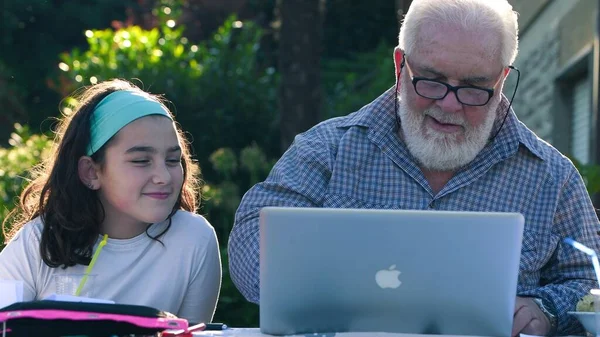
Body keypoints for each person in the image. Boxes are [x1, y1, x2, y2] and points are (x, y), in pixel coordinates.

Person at [228, 0, 600, 336]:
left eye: (474, 87)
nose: (450, 105)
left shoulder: (551, 177)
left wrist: (547, 310)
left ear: (502, 80)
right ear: (399, 65)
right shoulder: (328, 151)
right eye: (433, 81)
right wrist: (313, 288)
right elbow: (249, 245)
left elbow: (590, 281)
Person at [0, 79, 221, 324]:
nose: (164, 177)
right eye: (141, 161)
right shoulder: (37, 242)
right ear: (91, 172)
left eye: (172, 160)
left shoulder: (194, 238)